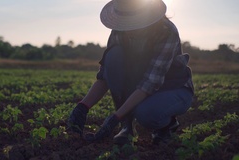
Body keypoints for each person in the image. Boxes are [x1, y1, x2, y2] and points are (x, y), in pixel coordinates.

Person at [67, 0, 194, 145]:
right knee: (113, 56)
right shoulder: (120, 30)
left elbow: (150, 83)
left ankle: (167, 125)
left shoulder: (166, 31)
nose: (129, 28)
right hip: (141, 84)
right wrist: (82, 107)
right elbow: (106, 75)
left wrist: (115, 117)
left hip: (172, 87)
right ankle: (126, 127)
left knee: (147, 114)